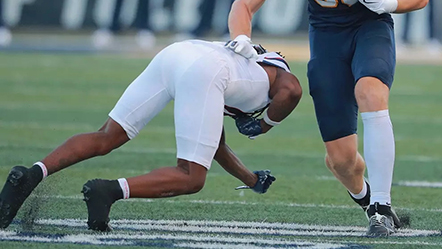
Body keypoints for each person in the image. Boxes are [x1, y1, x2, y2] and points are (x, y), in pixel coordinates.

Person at [227, 0, 429, 237]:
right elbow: (244, 3)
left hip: (370, 25)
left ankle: (382, 207)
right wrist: (240, 37)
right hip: (327, 35)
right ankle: (369, 198)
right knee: (341, 161)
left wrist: (387, 3)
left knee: (370, 92)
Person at [0, 40, 301, 232]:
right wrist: (265, 126)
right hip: (204, 71)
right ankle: (110, 191)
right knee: (191, 177)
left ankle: (31, 175)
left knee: (107, 135)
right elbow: (293, 90)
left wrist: (251, 180)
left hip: (177, 53)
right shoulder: (276, 73)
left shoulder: (239, 69)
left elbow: (215, 145)